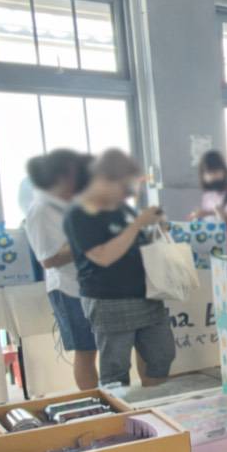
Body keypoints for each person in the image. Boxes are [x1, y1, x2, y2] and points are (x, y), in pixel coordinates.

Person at [62, 149, 176, 387]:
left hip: (147, 294)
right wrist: (138, 224)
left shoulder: (123, 208)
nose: (128, 190)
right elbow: (102, 257)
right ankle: (117, 407)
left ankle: (154, 400)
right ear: (104, 178)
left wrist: (157, 229)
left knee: (161, 356)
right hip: (108, 299)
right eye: (124, 184)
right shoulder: (79, 213)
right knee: (116, 369)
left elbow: (139, 244)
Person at [24, 149, 98, 390]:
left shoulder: (75, 203)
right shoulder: (41, 209)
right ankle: (93, 400)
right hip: (69, 288)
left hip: (95, 284)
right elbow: (48, 258)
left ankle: (106, 398)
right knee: (86, 350)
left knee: (99, 346)